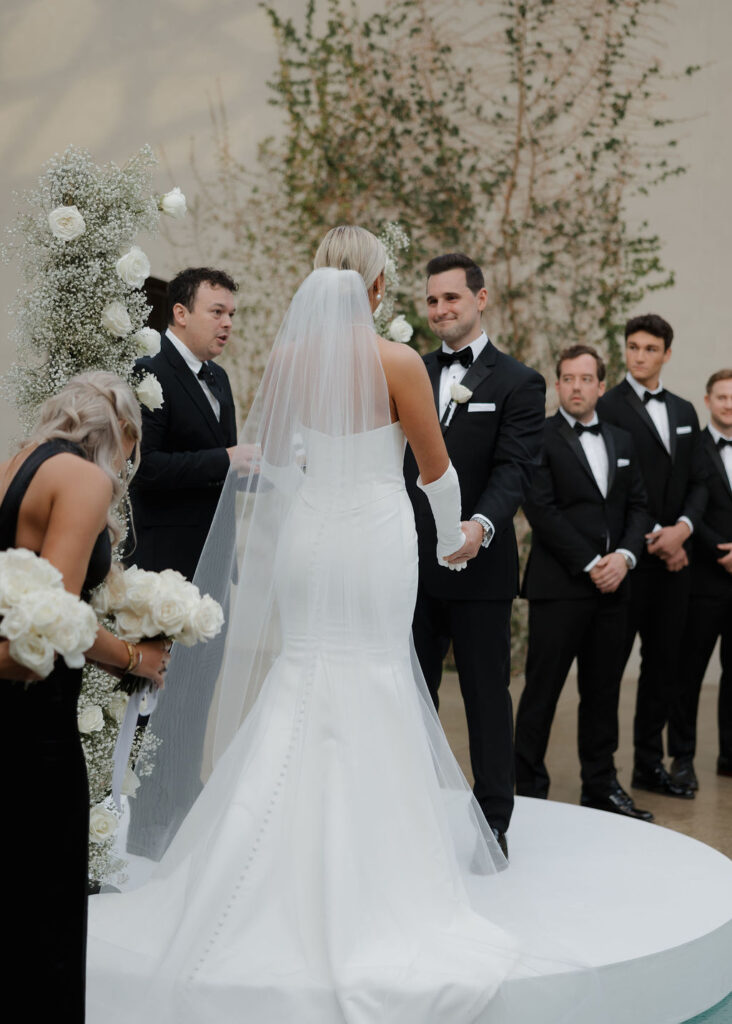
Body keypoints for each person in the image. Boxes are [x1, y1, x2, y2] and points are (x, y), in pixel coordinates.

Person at [87, 230, 599, 1023]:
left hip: (308, 541)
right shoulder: (398, 363)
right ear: (375, 285)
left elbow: (287, 460)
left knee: (305, 672)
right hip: (372, 538)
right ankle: (375, 878)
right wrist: (454, 537)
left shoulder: (292, 362)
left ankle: (263, 870)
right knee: (375, 671)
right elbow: (435, 468)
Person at [0, 372, 168, 1023]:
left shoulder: (17, 464)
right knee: (46, 902)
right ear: (121, 431)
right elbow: (55, 619)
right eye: (133, 447)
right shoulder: (83, 479)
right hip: (34, 718)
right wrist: (135, 658)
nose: (129, 464)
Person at [404, 253, 546, 856]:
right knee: (411, 693)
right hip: (408, 566)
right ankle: (412, 809)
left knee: (487, 697)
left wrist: (480, 527)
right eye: (433, 300)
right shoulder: (406, 368)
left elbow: (515, 469)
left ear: (480, 299)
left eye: (452, 299)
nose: (440, 310)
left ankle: (494, 824)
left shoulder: (518, 381)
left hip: (480, 568)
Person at [515, 345, 651, 819]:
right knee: (542, 689)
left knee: (603, 691)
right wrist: (593, 561)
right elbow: (541, 511)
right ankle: (526, 786)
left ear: (599, 385)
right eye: (567, 378)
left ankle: (600, 784)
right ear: (558, 385)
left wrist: (626, 557)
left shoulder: (621, 438)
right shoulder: (538, 437)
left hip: (616, 588)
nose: (576, 386)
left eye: (585, 378)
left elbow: (639, 506)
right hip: (560, 587)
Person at [597, 314, 707, 800]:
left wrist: (682, 532)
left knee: (663, 667)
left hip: (674, 564)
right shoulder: (606, 407)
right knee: (610, 667)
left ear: (666, 353)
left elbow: (700, 480)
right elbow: (607, 489)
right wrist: (649, 539)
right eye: (633, 347)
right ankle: (601, 772)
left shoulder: (684, 411)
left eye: (649, 348)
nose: (638, 355)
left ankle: (649, 764)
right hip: (628, 560)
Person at [128, 267, 240, 581]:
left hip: (217, 556)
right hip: (165, 559)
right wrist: (228, 458)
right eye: (217, 312)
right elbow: (144, 466)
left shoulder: (219, 376)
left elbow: (224, 468)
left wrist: (274, 465)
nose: (228, 323)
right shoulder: (147, 371)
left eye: (231, 314)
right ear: (181, 313)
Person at [667, 369, 732, 787]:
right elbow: (685, 501)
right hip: (704, 580)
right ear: (708, 400)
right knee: (688, 672)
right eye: (722, 396)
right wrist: (718, 550)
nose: (729, 404)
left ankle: (729, 754)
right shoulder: (693, 447)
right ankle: (682, 759)